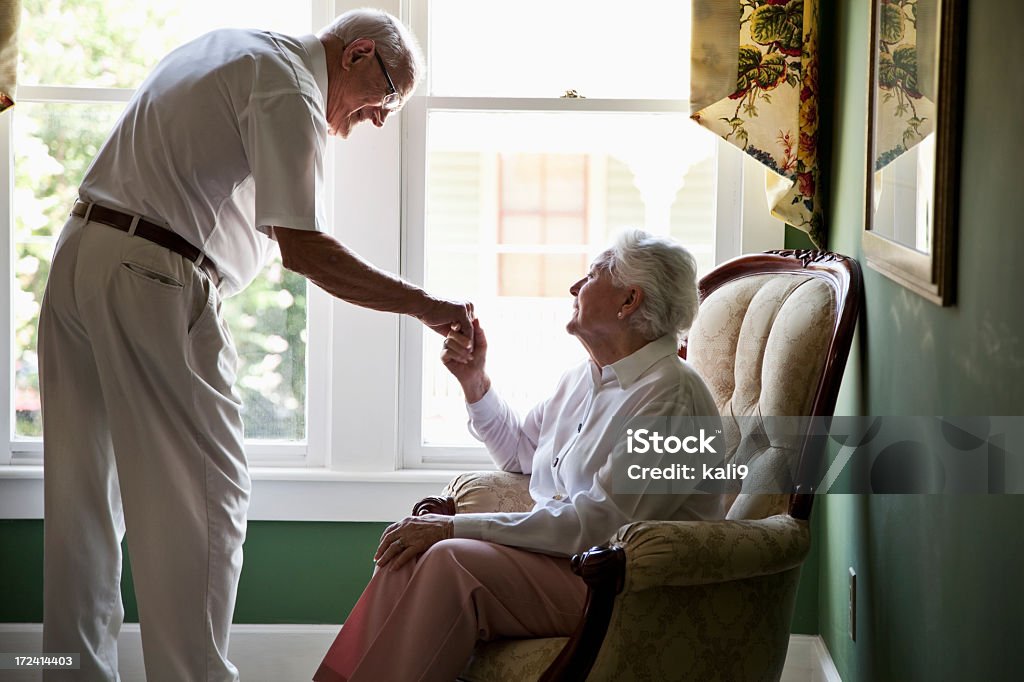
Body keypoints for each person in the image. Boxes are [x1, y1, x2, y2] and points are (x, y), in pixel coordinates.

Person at [38, 9, 473, 682]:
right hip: (152, 273)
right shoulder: (289, 87)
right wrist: (424, 305)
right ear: (358, 54)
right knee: (207, 497)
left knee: (83, 502)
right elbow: (303, 249)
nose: (381, 119)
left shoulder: (230, 48)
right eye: (386, 97)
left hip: (81, 257)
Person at [314, 229, 728, 682]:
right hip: (565, 564)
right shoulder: (583, 378)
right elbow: (520, 454)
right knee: (406, 552)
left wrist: (451, 525)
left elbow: (599, 527)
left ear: (628, 301)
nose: (575, 287)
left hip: (623, 585)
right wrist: (474, 381)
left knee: (448, 559)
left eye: (590, 276)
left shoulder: (671, 397)